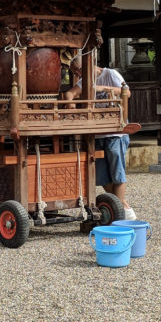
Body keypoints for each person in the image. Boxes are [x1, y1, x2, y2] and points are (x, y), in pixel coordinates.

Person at [63, 60, 135, 219]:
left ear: (90, 65)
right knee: (101, 174)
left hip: (115, 132)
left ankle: (119, 212)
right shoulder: (84, 81)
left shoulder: (111, 74)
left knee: (117, 173)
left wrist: (104, 88)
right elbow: (70, 93)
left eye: (79, 70)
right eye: (75, 72)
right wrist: (70, 103)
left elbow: (127, 92)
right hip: (96, 131)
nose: (78, 74)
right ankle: (122, 207)